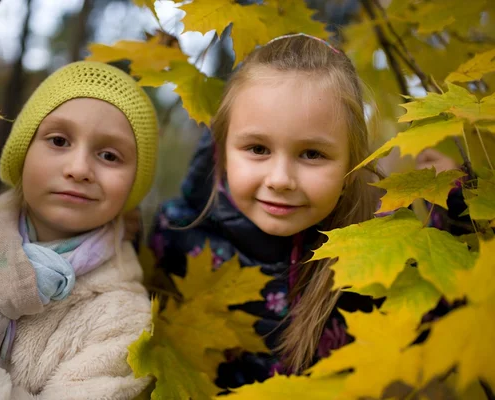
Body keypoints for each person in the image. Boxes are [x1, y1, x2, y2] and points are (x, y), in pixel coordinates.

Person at [0, 61, 159, 399]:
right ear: (24, 152)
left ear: (133, 184)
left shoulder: (122, 321)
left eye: (109, 155)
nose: (79, 169)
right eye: (59, 140)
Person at [149, 33, 382, 389]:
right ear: (222, 150)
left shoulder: (374, 264)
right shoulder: (175, 237)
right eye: (258, 148)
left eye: (312, 154)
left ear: (352, 166)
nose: (281, 179)